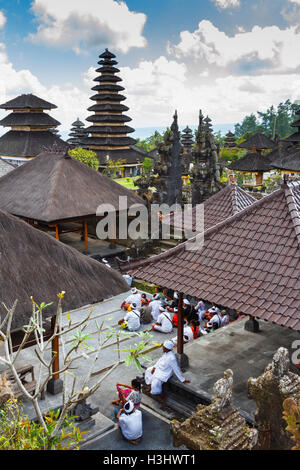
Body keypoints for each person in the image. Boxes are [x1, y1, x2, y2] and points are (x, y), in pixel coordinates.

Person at [144, 340, 190, 408]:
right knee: (148, 371)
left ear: (167, 349)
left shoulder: (172, 358)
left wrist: (182, 379)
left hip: (165, 373)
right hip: (159, 368)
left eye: (164, 347)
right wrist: (154, 367)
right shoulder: (165, 353)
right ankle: (149, 385)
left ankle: (163, 398)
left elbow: (176, 369)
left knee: (156, 383)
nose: (162, 348)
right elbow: (160, 360)